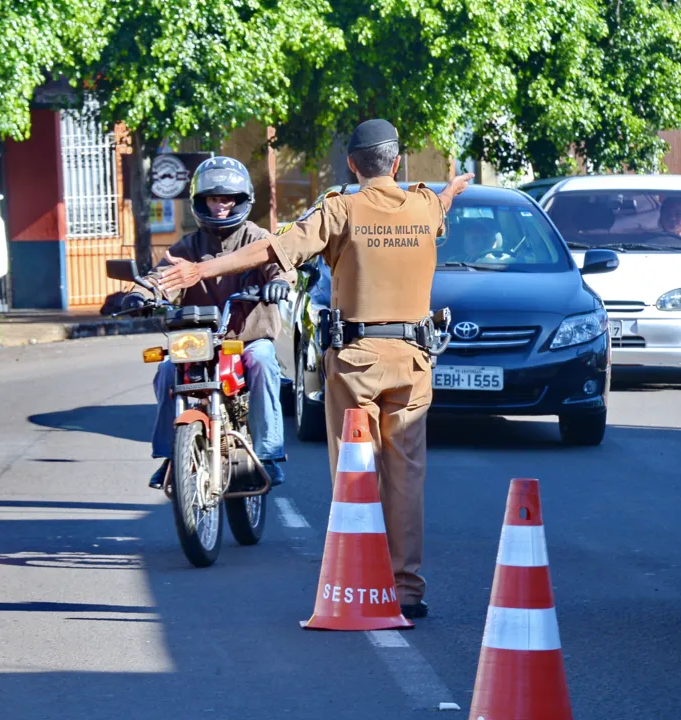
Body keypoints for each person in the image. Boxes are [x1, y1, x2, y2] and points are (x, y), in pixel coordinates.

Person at [156, 120, 473, 619]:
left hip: (357, 362)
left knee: (355, 473)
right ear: (396, 163)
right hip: (414, 361)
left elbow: (272, 249)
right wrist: (451, 188)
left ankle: (359, 584)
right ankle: (407, 588)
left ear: (352, 164)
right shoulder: (423, 205)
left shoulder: (341, 209)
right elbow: (441, 206)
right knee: (406, 477)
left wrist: (202, 269)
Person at [120, 156, 296, 491]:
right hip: (197, 340)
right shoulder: (187, 246)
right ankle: (171, 456)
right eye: (214, 198)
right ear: (201, 201)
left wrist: (280, 284)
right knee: (168, 370)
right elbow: (161, 277)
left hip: (247, 339)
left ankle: (269, 454)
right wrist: (140, 294)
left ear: (242, 200)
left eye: (228, 198)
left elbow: (281, 266)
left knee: (263, 362)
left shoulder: (258, 239)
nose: (221, 205)